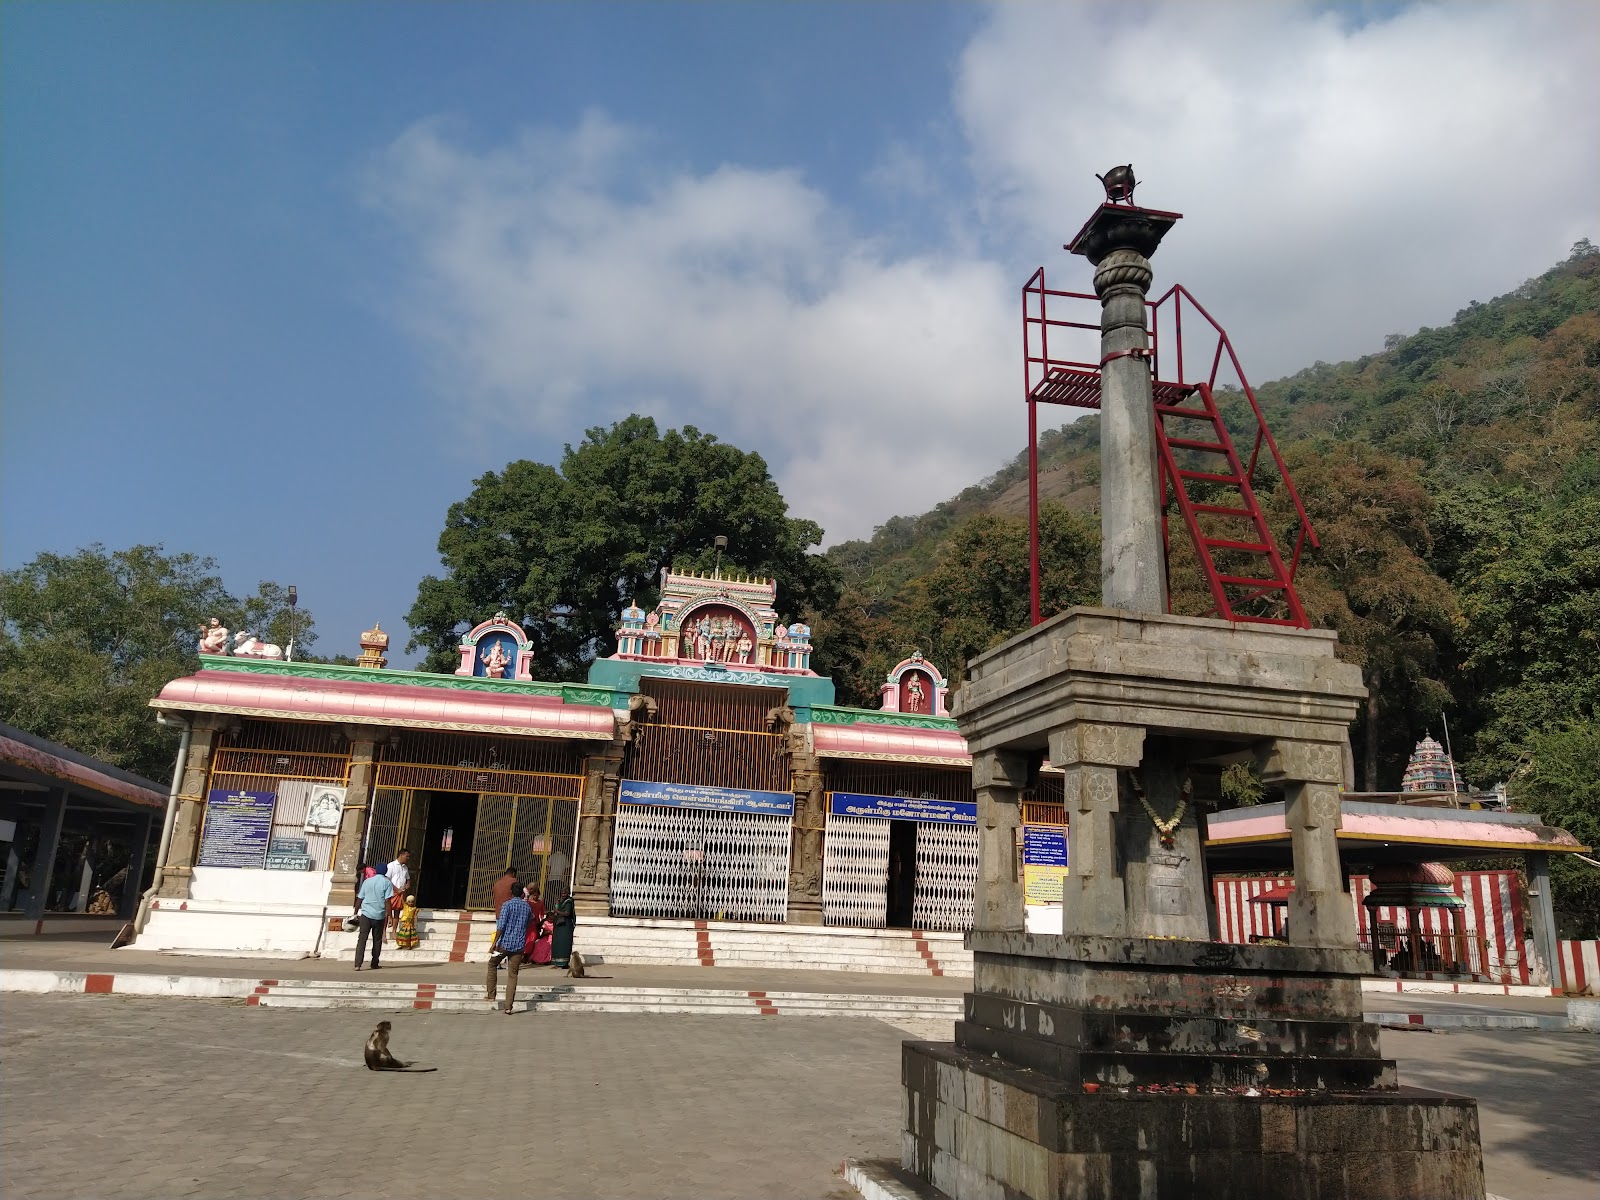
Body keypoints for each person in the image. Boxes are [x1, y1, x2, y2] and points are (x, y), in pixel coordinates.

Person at [485, 884, 532, 1014]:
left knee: (492, 964)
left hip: (504, 944)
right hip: (519, 945)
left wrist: (494, 943)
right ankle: (508, 1006)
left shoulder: (507, 905)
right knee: (513, 975)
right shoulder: (527, 908)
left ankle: (491, 994)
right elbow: (529, 923)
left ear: (511, 892)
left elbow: (501, 926)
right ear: (522, 894)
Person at [354, 868, 395, 971]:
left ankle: (358, 964)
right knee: (377, 940)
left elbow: (360, 898)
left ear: (376, 871)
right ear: (385, 872)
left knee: (362, 939)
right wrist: (390, 915)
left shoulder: (367, 881)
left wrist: (355, 912)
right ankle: (374, 963)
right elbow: (387, 901)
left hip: (366, 914)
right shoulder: (387, 883)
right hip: (379, 915)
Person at [548, 880, 576, 970]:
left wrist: (557, 911)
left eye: (565, 893)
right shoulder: (560, 901)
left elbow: (567, 913)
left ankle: (564, 963)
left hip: (565, 926)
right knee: (557, 944)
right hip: (559, 926)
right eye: (562, 893)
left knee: (564, 944)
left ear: (568, 893)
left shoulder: (568, 901)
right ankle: (557, 963)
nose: (563, 895)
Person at [523, 884, 553, 966]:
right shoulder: (528, 903)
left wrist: (543, 922)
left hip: (536, 922)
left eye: (536, 895)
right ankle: (524, 955)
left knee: (534, 939)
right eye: (534, 895)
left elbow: (542, 914)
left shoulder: (540, 903)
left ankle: (531, 956)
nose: (535, 897)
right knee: (527, 939)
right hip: (529, 923)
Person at [385, 850, 412, 930]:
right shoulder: (391, 865)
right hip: (392, 892)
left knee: (397, 912)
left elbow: (408, 879)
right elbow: (387, 879)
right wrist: (396, 889)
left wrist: (407, 884)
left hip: (401, 892)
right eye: (406, 856)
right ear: (401, 855)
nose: (408, 858)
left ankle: (394, 931)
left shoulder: (405, 867)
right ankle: (383, 933)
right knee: (387, 912)